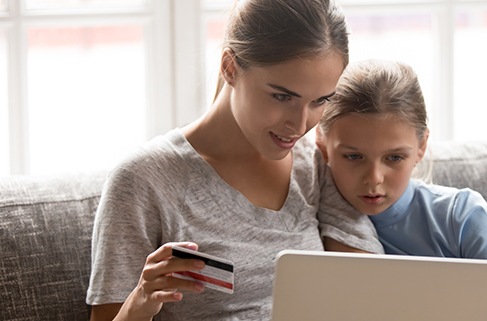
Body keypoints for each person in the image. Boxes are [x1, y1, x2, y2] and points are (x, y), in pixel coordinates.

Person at [86, 1, 383, 320]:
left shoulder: (313, 164)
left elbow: (370, 290)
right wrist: (141, 301)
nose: (299, 126)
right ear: (230, 67)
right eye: (282, 96)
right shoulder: (144, 180)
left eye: (320, 101)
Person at [315, 59, 487, 321]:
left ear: (421, 146)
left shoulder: (461, 214)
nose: (374, 178)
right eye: (353, 157)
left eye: (394, 158)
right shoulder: (311, 217)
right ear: (322, 145)